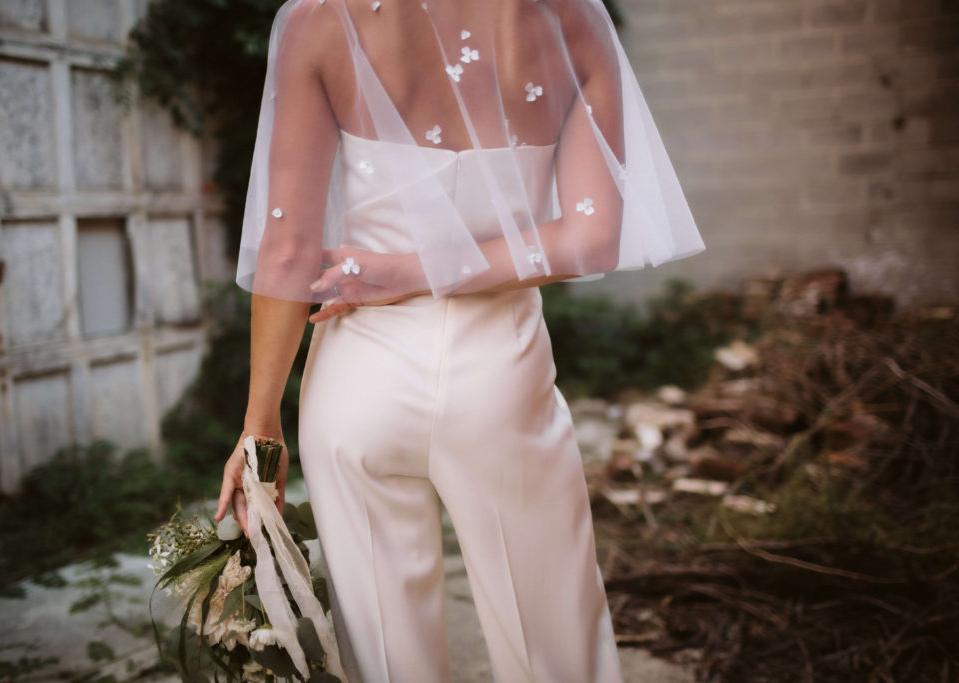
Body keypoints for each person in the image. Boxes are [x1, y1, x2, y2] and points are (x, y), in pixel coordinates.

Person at [215, 0, 705, 680]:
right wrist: (417, 273)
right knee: (553, 647)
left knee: (386, 655)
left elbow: (289, 248)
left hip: (359, 376)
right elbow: (591, 236)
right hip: (501, 374)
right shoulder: (570, 20)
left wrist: (258, 423)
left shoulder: (321, 20)